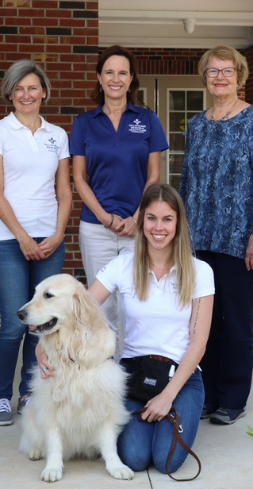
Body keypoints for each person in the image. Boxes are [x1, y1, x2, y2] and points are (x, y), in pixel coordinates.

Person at [39, 183, 214, 474]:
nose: (159, 227)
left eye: (167, 219)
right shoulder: (122, 265)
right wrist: (42, 342)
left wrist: (167, 396)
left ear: (178, 223)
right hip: (135, 374)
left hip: (181, 377)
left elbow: (198, 342)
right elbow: (78, 306)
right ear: (141, 220)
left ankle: (175, 408)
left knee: (166, 460)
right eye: (152, 218)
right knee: (133, 457)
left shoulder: (200, 271)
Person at [179, 45, 253, 425]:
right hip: (199, 239)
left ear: (240, 76)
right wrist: (180, 235)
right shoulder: (196, 124)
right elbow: (187, 182)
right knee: (204, 322)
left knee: (236, 324)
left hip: (239, 242)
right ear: (204, 78)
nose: (220, 77)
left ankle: (233, 398)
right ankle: (209, 394)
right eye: (213, 71)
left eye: (227, 71)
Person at [0, 60, 72, 426]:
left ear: (44, 93)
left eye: (32, 88)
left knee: (42, 323)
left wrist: (58, 233)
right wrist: (22, 236)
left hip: (49, 240)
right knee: (13, 324)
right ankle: (2, 397)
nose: (26, 94)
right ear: (10, 93)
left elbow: (65, 190)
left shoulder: (57, 135)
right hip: (8, 240)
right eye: (18, 89)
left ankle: (29, 391)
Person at [70, 45, 168, 352]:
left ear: (131, 79)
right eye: (109, 72)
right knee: (102, 307)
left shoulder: (147, 119)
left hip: (139, 228)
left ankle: (138, 375)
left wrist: (136, 218)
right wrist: (105, 217)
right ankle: (108, 380)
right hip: (96, 228)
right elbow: (78, 178)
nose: (115, 78)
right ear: (99, 77)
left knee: (138, 303)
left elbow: (154, 176)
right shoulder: (84, 122)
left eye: (122, 72)